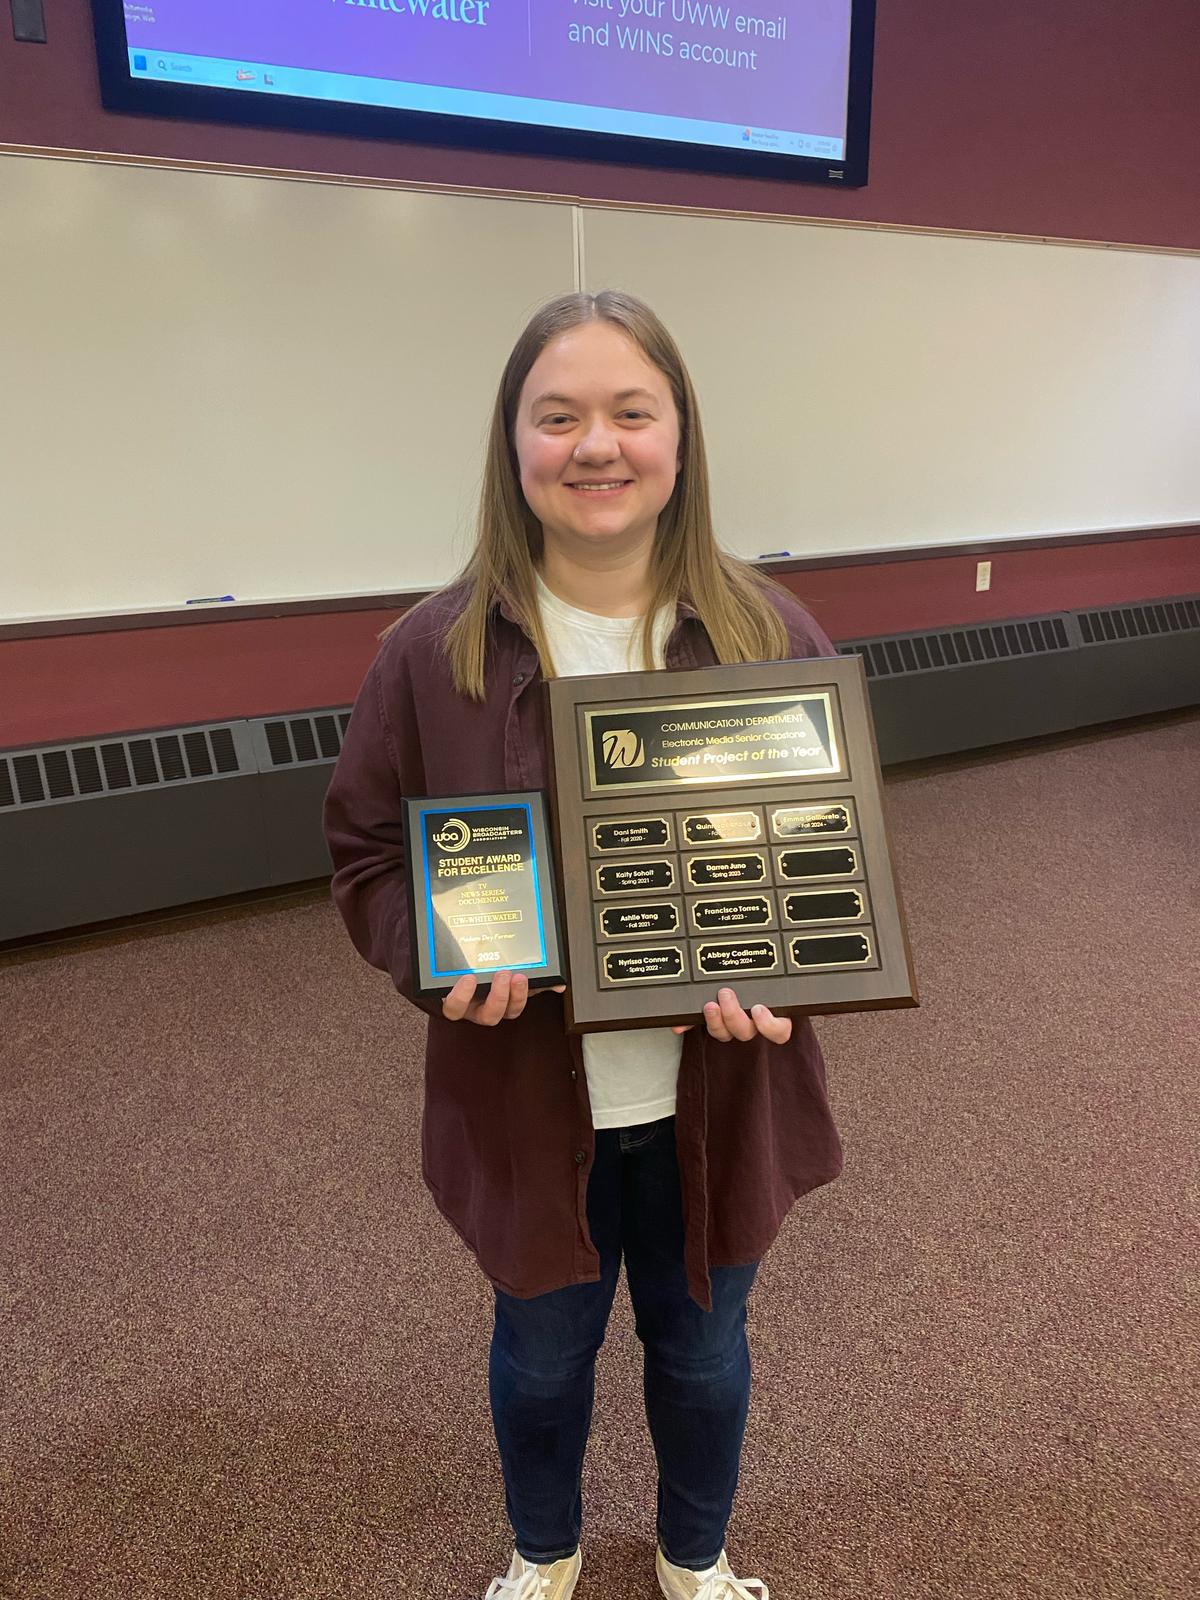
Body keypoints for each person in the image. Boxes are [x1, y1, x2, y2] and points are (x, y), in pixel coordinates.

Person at [324, 290, 843, 1600]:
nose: (597, 445)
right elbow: (368, 855)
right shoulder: (427, 655)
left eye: (630, 412)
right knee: (542, 1355)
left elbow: (821, 868)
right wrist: (435, 956)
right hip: (525, 1097)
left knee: (705, 1354)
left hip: (718, 1094)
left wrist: (784, 972)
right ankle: (544, 1555)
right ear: (514, 446)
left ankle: (694, 1558)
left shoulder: (770, 637)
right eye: (557, 417)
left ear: (681, 437)